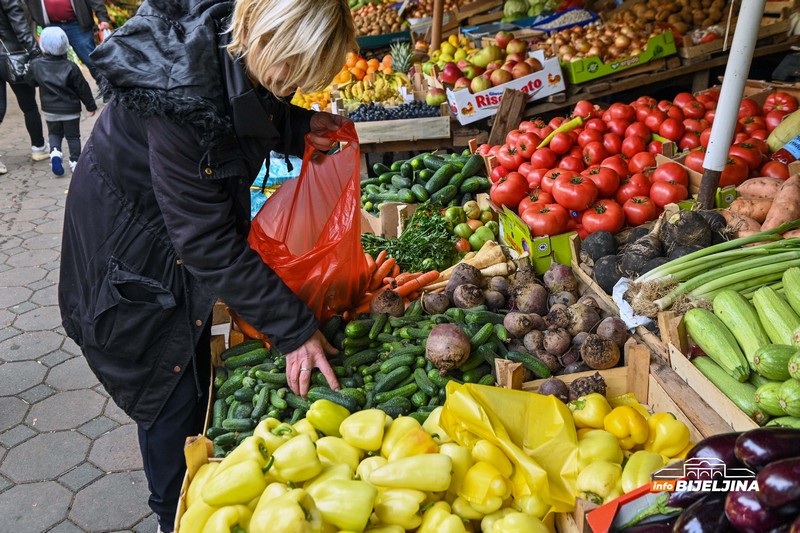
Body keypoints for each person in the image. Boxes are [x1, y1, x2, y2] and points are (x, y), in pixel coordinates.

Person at [57, 0, 356, 531]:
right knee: (167, 393)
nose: (292, 86)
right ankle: (171, 514)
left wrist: (298, 125)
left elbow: (248, 105)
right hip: (130, 266)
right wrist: (294, 330)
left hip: (162, 242)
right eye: (293, 72)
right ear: (263, 36)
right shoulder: (179, 98)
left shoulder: (228, 49)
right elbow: (205, 242)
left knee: (192, 378)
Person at [26, 26, 96, 176]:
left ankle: (55, 153)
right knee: (73, 136)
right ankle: (75, 162)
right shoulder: (71, 67)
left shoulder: (36, 65)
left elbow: (31, 82)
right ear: (66, 45)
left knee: (54, 134)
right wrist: (90, 105)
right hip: (70, 111)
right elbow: (82, 88)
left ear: (43, 45)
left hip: (50, 110)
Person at [0, 0, 49, 173]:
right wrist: (35, 52)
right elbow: (19, 25)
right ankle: (39, 147)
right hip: (13, 56)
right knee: (28, 105)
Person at [26, 0, 110, 84]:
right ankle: (62, 94)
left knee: (92, 61)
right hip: (50, 26)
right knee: (55, 66)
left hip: (77, 24)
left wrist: (103, 17)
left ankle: (110, 90)